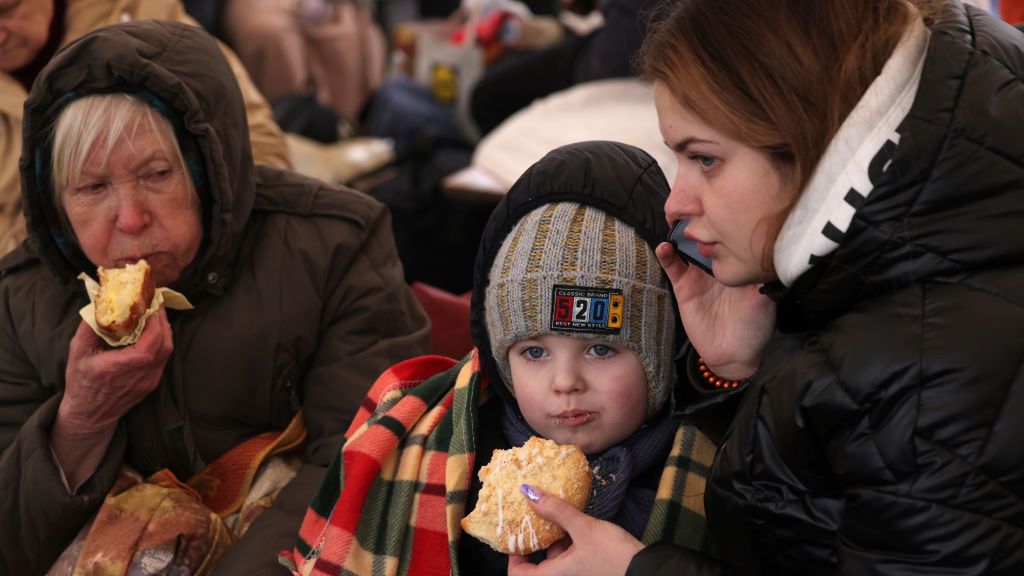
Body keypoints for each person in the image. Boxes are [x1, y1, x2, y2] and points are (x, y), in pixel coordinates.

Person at [502, 0, 1024, 574]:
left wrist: (637, 571)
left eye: (705, 158)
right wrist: (741, 372)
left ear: (809, 140)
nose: (677, 203)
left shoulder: (933, 369)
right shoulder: (889, 276)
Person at [0, 19, 431, 575]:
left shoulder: (331, 246)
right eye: (92, 188)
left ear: (209, 172)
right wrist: (80, 421)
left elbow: (364, 463)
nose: (130, 219)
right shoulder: (22, 297)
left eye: (157, 174)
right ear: (58, 206)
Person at [284, 140, 721, 575]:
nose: (565, 381)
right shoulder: (459, 463)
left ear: (661, 358)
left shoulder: (714, 474)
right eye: (534, 351)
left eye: (600, 348)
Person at [0, 0, 291, 257]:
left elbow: (255, 140)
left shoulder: (148, 15)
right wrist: (66, 255)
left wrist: (211, 244)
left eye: (6, 10)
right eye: (93, 187)